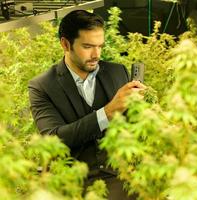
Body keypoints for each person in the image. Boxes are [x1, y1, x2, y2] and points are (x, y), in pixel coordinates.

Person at [28, 10, 144, 199]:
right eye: (88, 46)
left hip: (119, 175)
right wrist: (107, 112)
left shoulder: (117, 72)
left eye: (100, 46)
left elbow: (132, 128)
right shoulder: (42, 86)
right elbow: (54, 139)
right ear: (65, 44)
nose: (96, 54)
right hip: (73, 180)